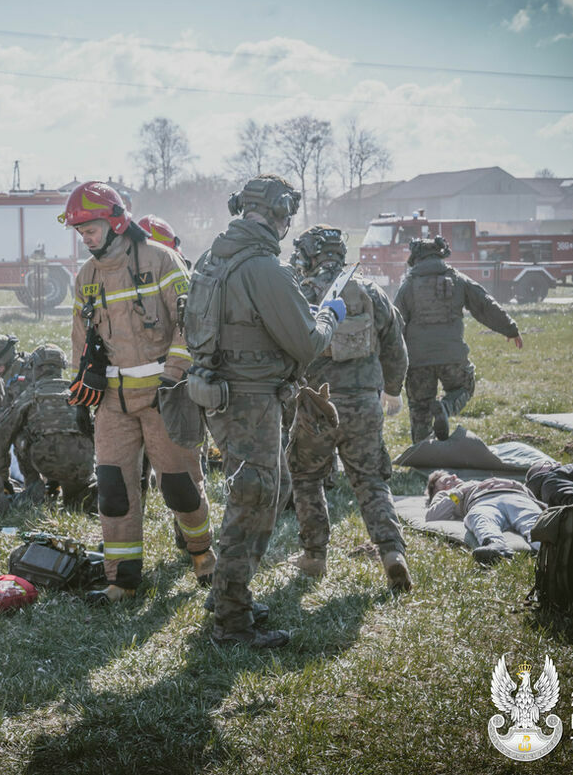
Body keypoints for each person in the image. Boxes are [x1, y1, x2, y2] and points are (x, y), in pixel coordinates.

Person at [188, 174, 341, 648]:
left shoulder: (211, 259)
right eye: (287, 213)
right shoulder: (264, 269)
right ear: (277, 212)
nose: (289, 223)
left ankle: (226, 595)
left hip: (221, 396)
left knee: (253, 494)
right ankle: (232, 622)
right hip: (253, 401)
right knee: (253, 502)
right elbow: (308, 341)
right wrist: (328, 314)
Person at [62, 180, 215, 604]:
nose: (85, 239)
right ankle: (122, 581)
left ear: (114, 221)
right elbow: (80, 341)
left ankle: (202, 554)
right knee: (113, 491)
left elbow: (190, 325)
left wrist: (175, 375)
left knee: (179, 486)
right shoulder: (86, 278)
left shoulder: (161, 260)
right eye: (80, 233)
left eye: (90, 230)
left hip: (165, 395)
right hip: (112, 402)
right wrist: (80, 393)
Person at [287, 224, 411, 589]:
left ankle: (314, 556)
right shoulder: (371, 292)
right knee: (371, 480)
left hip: (317, 407)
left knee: (307, 478)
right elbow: (396, 347)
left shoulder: (299, 292)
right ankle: (391, 552)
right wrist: (392, 389)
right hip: (364, 405)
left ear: (308, 256)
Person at [394, 236, 523, 442]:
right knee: (464, 387)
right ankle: (446, 407)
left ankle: (421, 457)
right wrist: (510, 328)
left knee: (419, 408)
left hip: (418, 361)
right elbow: (484, 304)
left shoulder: (407, 286)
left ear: (415, 258)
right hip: (452, 357)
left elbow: (395, 324)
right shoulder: (458, 280)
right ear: (440, 255)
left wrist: (390, 362)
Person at [0, 344, 96, 510]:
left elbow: (1, 436)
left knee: (20, 435)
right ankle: (82, 494)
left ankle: (34, 488)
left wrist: (2, 480)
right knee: (75, 502)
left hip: (46, 461)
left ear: (35, 368)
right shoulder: (77, 393)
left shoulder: (31, 393)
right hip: (82, 463)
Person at [423, 471, 543, 565]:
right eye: (446, 480)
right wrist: (458, 493)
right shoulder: (449, 495)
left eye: (452, 476)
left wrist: (513, 484)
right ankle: (496, 547)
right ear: (439, 490)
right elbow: (432, 515)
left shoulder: (481, 482)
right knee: (478, 517)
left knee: (532, 520)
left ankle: (546, 547)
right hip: (481, 503)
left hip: (515, 497)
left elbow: (531, 496)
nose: (454, 477)